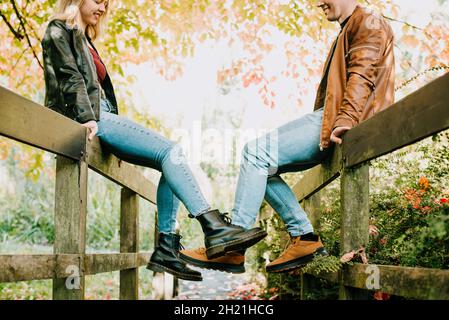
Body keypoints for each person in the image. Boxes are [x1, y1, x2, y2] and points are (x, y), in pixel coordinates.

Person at [41, 0, 267, 282]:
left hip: (104, 118)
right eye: (98, 0)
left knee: (169, 162)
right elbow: (69, 77)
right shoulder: (58, 29)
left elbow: (98, 91)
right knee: (171, 152)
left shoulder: (86, 39)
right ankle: (212, 226)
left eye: (107, 3)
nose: (103, 7)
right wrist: (87, 118)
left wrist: (117, 139)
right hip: (93, 119)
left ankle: (167, 248)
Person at [180, 0, 395, 273]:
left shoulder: (368, 20)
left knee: (256, 152)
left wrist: (346, 119)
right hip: (337, 116)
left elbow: (363, 74)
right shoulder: (352, 25)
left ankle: (233, 244)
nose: (319, 3)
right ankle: (304, 238)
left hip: (342, 118)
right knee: (262, 167)